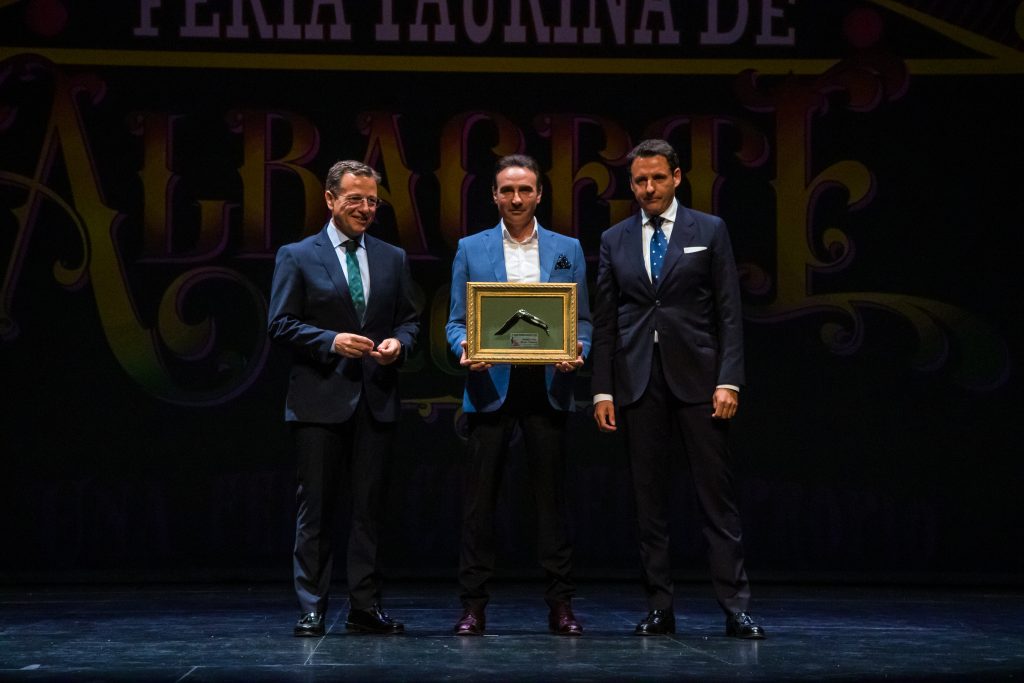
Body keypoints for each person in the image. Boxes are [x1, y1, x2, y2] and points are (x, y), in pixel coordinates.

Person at [591, 139, 765, 639]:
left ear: (677, 177)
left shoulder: (708, 230)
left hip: (700, 381)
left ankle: (735, 607)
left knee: (716, 499)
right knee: (648, 503)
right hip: (638, 380)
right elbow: (606, 321)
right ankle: (659, 607)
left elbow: (729, 311)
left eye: (657, 178)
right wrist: (602, 390)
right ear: (632, 185)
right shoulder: (615, 239)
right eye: (640, 181)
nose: (649, 188)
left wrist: (729, 379)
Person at [268, 160, 420, 637]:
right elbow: (280, 324)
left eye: (372, 200)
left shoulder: (393, 257)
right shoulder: (297, 255)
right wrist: (330, 341)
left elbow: (409, 320)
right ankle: (312, 607)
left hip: (375, 399)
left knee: (368, 510)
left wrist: (400, 344)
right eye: (355, 198)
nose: (365, 208)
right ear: (330, 199)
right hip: (319, 400)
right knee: (316, 509)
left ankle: (364, 607)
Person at [445, 154, 591, 636]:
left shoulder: (567, 249)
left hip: (548, 387)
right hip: (491, 386)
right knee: (479, 507)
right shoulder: (471, 248)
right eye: (507, 190)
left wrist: (579, 349)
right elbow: (455, 321)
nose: (516, 198)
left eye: (525, 189)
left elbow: (582, 320)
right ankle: (473, 607)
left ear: (539, 194)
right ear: (494, 195)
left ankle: (561, 605)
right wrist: (464, 346)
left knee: (552, 505)